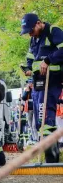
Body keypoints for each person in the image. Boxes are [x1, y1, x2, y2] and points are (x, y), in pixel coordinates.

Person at [20, 13, 63, 162]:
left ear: (38, 23)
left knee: (46, 117)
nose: (29, 34)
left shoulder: (53, 31)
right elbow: (30, 58)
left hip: (53, 80)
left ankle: (52, 159)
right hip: (38, 82)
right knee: (40, 121)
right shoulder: (34, 39)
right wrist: (27, 68)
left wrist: (48, 60)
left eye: (31, 30)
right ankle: (46, 156)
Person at [22, 79, 38, 143]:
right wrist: (26, 91)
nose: (30, 84)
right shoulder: (27, 90)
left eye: (31, 83)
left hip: (35, 110)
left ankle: (37, 139)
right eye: (29, 83)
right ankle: (34, 139)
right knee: (30, 125)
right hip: (28, 110)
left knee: (34, 125)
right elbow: (23, 98)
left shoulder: (36, 90)